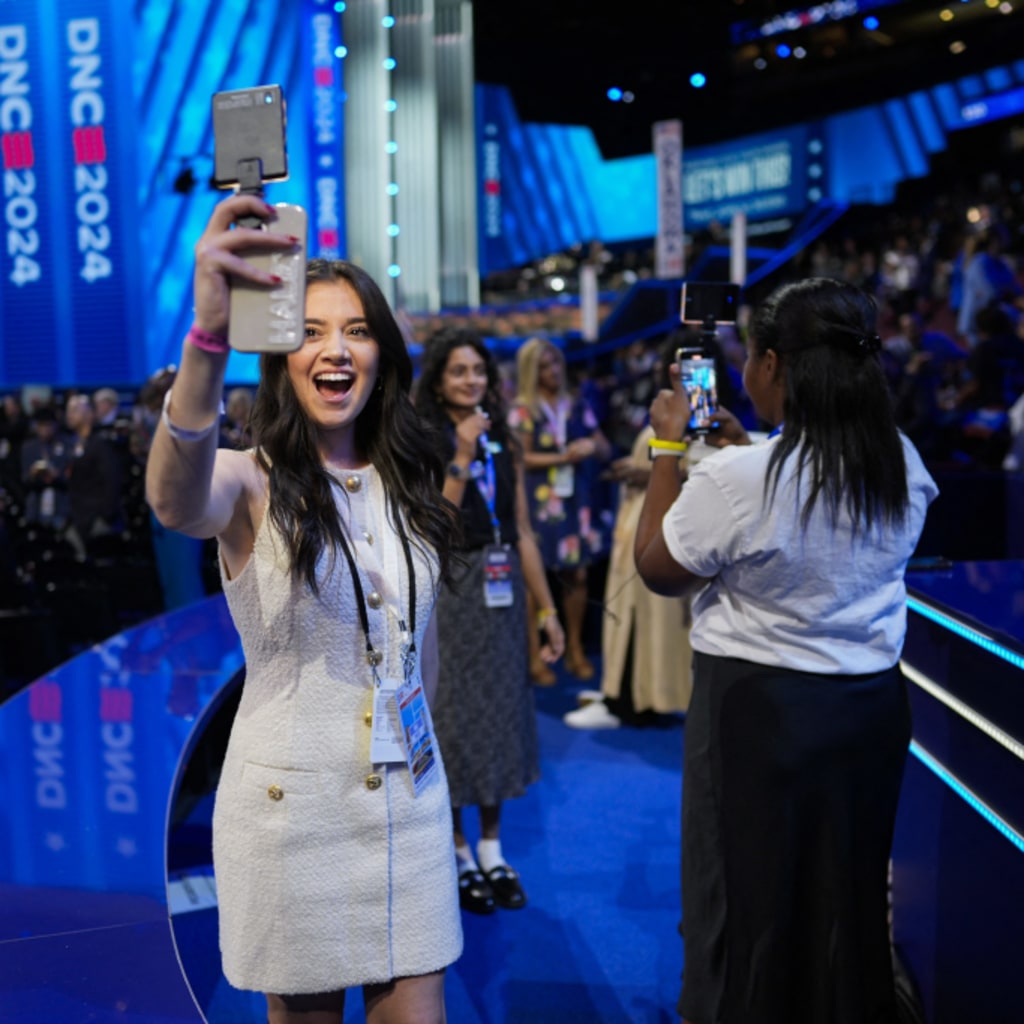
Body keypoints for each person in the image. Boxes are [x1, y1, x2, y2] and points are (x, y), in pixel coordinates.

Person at [146, 193, 463, 1024]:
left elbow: (419, 649)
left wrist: (435, 768)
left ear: (382, 355)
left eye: (356, 330)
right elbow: (175, 500)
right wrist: (208, 337)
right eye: (312, 330)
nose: (336, 348)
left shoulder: (411, 484)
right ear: (282, 357)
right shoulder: (250, 481)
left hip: (412, 803)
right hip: (294, 821)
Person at [634, 277, 938, 1024]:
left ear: (773, 365)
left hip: (758, 716)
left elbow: (658, 569)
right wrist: (752, 451)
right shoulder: (900, 461)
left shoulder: (742, 478)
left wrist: (670, 447)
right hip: (869, 711)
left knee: (740, 896)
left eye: (751, 357)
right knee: (847, 888)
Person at [413, 326, 565, 915]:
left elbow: (523, 528)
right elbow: (433, 528)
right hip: (450, 586)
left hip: (501, 590)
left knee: (501, 712)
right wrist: (460, 455)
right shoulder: (424, 441)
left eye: (478, 370)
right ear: (439, 379)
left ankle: (493, 847)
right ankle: (454, 850)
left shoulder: (505, 437)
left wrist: (546, 610)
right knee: (450, 715)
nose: (471, 380)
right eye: (458, 371)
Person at [565, 337, 692, 730]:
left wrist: (646, 473)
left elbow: (703, 466)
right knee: (632, 610)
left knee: (648, 614)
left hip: (662, 517)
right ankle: (623, 694)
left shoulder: (698, 412)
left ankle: (637, 700)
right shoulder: (673, 405)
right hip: (643, 512)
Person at [509, 337, 611, 684]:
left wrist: (590, 445)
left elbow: (604, 446)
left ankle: (575, 650)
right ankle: (535, 656)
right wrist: (563, 456)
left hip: (575, 502)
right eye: (544, 367)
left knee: (577, 576)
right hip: (538, 504)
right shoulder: (522, 409)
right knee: (535, 582)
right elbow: (520, 458)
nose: (553, 372)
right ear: (530, 372)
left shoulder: (577, 403)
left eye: (555, 364)